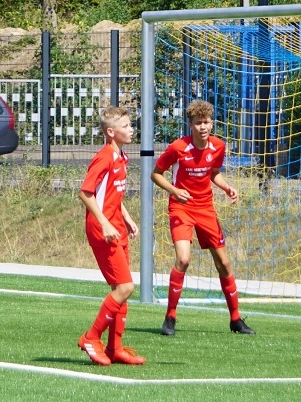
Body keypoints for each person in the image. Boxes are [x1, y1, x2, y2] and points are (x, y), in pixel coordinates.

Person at [151, 99, 254, 337]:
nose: (203, 127)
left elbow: (213, 173)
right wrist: (174, 191)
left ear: (212, 123)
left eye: (207, 122)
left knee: (224, 263)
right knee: (183, 259)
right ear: (191, 125)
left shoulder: (218, 146)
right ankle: (170, 317)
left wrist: (227, 187)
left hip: (206, 208)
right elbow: (155, 174)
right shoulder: (178, 148)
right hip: (181, 208)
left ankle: (236, 319)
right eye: (198, 123)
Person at [78, 107, 146, 366]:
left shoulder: (122, 156)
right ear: (111, 132)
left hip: (116, 226)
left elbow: (113, 195)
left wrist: (126, 218)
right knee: (125, 287)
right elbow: (86, 193)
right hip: (103, 230)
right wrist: (105, 223)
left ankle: (114, 347)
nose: (131, 129)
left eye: (131, 125)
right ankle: (90, 337)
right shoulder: (105, 157)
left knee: (122, 288)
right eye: (126, 125)